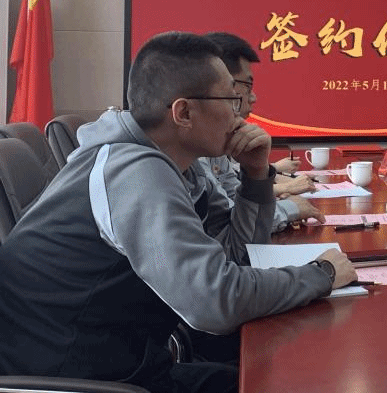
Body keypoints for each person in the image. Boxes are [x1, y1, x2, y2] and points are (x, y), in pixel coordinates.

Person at [0, 32, 356, 393]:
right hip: (76, 380)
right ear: (183, 112)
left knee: (280, 376)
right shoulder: (135, 173)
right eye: (230, 99)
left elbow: (240, 256)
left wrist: (255, 176)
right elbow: (213, 302)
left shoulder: (183, 166)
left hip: (128, 365)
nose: (240, 112)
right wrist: (321, 274)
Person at [201, 32, 323, 232]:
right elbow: (228, 221)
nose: (253, 98)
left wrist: (259, 171)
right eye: (247, 86)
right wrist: (289, 207)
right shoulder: (189, 148)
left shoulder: (216, 139)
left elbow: (235, 199)